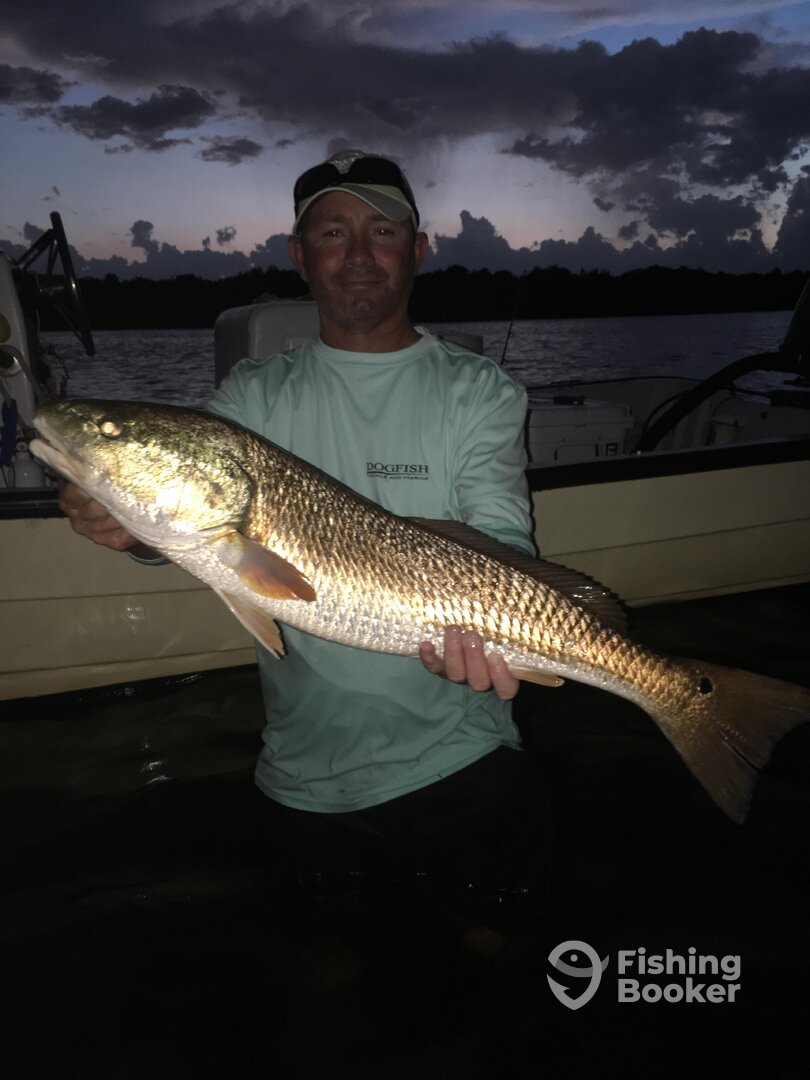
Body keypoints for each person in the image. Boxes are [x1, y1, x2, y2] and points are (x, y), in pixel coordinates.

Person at [59, 149, 551, 938]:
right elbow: (202, 528)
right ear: (299, 255)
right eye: (332, 231)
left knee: (498, 962)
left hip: (466, 760)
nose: (358, 254)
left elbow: (500, 544)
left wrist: (500, 635)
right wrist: (132, 530)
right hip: (303, 779)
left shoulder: (478, 390)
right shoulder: (251, 398)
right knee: (325, 977)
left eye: (381, 229)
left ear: (417, 250)